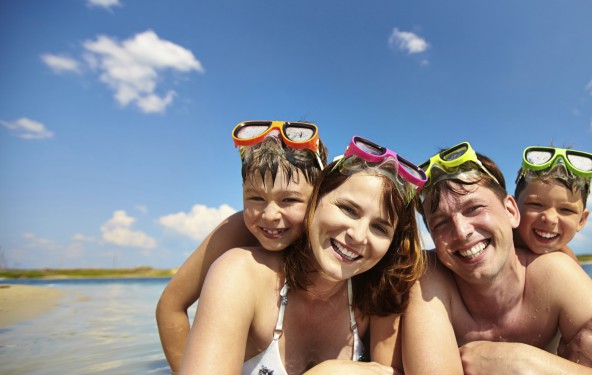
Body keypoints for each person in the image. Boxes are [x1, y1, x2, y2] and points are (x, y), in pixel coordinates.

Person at [402, 141, 592, 374]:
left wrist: (530, 364)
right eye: (440, 223)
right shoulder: (429, 278)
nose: (461, 231)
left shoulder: (555, 273)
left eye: (474, 208)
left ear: (511, 211)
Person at [180, 136, 426, 374]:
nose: (359, 236)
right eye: (348, 209)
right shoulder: (239, 275)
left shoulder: (377, 294)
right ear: (314, 202)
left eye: (380, 228)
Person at [156, 120, 328, 373]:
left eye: (289, 199)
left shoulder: (339, 241)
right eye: (256, 198)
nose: (269, 215)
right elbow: (170, 307)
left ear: (319, 196)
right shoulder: (237, 231)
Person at [513, 146, 592, 262]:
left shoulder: (569, 259)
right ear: (512, 209)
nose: (550, 218)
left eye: (566, 210)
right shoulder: (497, 243)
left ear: (581, 220)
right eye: (536, 204)